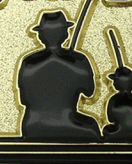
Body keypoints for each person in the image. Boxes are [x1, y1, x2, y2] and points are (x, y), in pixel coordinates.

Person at [18, 11, 101, 141]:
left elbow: (24, 99)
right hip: (67, 124)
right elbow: (89, 92)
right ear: (65, 34)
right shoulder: (79, 62)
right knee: (93, 127)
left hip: (31, 125)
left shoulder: (28, 63)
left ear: (40, 35)